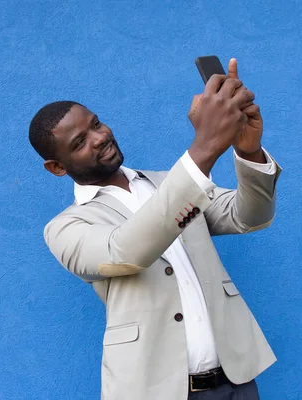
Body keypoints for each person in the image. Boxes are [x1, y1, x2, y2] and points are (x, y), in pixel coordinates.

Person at [29, 58, 282, 400]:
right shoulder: (65, 228)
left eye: (97, 124)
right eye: (80, 142)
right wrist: (204, 146)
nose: (100, 137)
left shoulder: (170, 184)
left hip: (235, 382)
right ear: (57, 167)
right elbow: (125, 253)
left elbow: (249, 216)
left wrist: (247, 150)